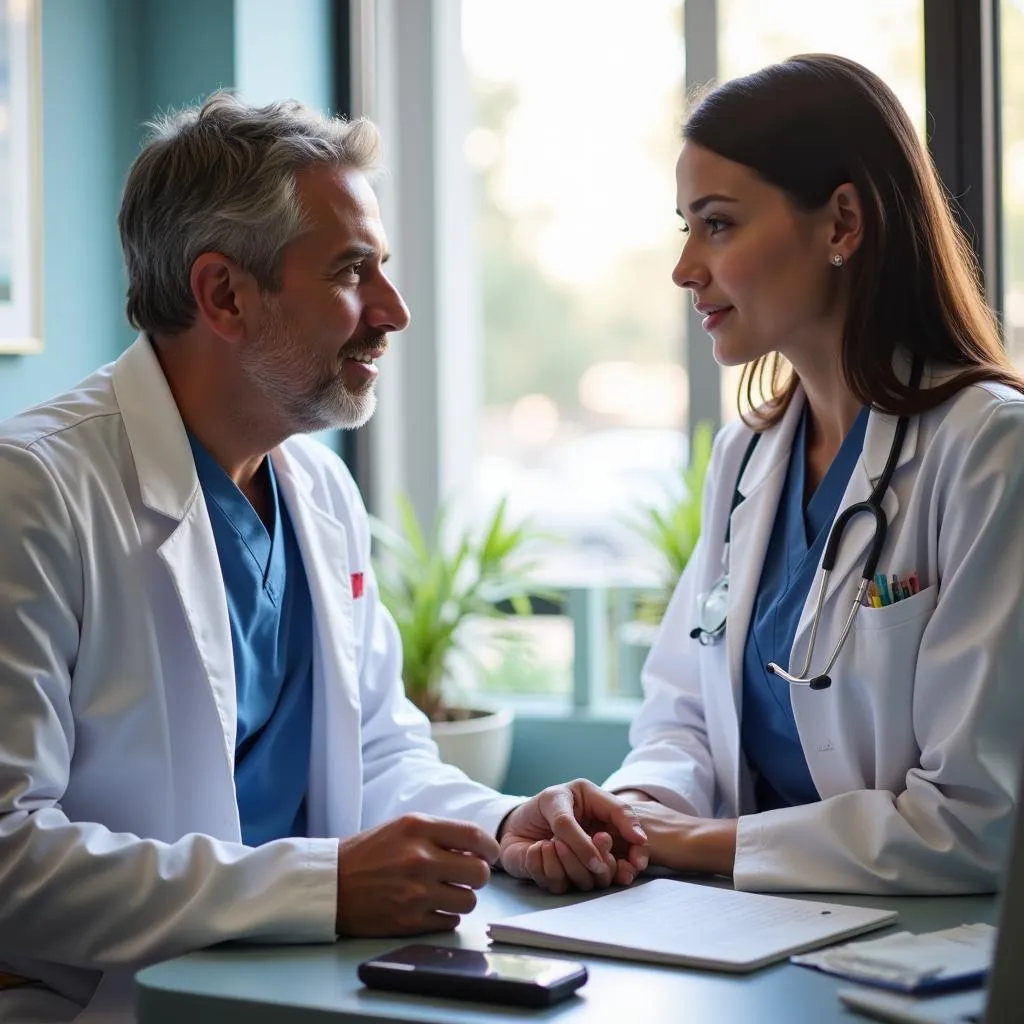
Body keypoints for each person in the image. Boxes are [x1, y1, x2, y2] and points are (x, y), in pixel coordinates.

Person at [0, 94, 646, 1024]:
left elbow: (379, 749)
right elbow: (10, 854)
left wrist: (502, 826)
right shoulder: (34, 492)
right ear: (223, 293)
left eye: (381, 266)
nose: (394, 309)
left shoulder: (319, 492)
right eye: (352, 271)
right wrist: (321, 886)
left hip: (295, 987)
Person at [597, 53, 1024, 895]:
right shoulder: (748, 455)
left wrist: (699, 843)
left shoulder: (988, 451)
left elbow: (976, 822)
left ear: (841, 224)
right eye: (685, 226)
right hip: (751, 934)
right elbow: (681, 713)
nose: (686, 267)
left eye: (717, 224)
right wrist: (629, 814)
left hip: (921, 957)